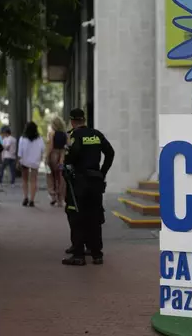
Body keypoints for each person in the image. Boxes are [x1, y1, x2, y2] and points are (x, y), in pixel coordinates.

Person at [62, 108, 115, 266]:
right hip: (95, 180)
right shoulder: (97, 134)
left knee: (76, 215)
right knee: (94, 216)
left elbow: (74, 153)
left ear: (72, 121)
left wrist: (68, 160)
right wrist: (102, 172)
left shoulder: (75, 135)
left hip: (80, 181)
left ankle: (78, 255)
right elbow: (110, 153)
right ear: (84, 120)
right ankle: (96, 253)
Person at [17, 121, 44, 207]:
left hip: (24, 161)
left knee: (25, 180)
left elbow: (20, 152)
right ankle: (32, 200)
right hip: (35, 162)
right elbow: (42, 149)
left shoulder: (22, 138)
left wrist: (18, 160)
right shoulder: (40, 139)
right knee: (33, 181)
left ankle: (25, 197)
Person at [46, 116, 68, 207]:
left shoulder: (52, 133)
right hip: (62, 157)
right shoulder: (65, 134)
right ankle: (61, 199)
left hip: (54, 155)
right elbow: (68, 145)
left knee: (51, 175)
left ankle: (53, 196)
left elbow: (50, 146)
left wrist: (46, 156)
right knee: (61, 177)